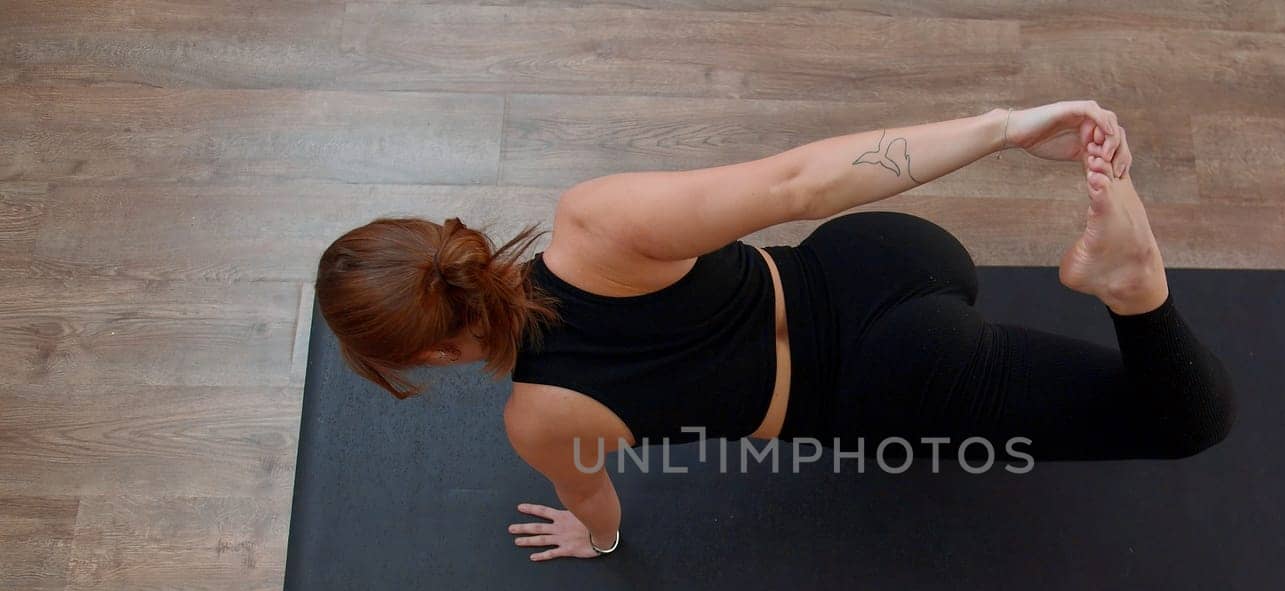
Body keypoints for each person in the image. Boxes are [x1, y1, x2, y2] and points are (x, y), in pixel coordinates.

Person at [314, 101, 1236, 562]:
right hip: (885, 257)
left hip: (895, 380)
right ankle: (1083, 289)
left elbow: (601, 515)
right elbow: (801, 183)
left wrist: (590, 543)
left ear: (435, 354)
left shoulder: (540, 418)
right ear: (446, 240)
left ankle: (1134, 284)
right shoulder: (597, 221)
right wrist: (1001, 126)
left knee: (1186, 422)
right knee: (966, 345)